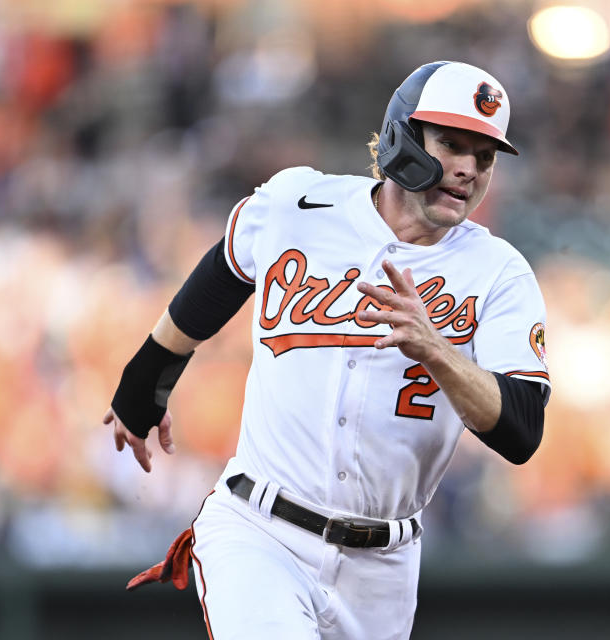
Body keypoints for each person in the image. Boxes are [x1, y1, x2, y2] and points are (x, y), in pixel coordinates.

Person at [104, 61, 551, 640]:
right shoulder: (299, 203)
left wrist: (436, 348)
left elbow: (522, 429)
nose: (467, 167)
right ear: (402, 136)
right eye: (451, 144)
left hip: (384, 568)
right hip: (260, 532)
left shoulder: (499, 274)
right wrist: (144, 385)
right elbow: (217, 281)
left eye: (484, 155)